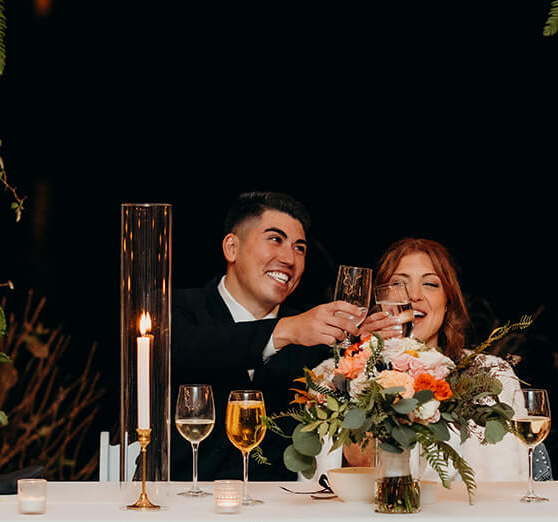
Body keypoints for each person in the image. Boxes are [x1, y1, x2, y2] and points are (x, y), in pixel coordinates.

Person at [171, 191, 363, 481]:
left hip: (280, 503)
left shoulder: (316, 336)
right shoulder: (176, 308)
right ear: (232, 248)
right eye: (275, 239)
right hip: (177, 496)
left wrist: (371, 346)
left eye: (299, 248)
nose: (289, 258)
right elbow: (189, 351)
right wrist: (284, 331)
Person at [342, 238, 538, 483]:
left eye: (430, 284)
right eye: (398, 283)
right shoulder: (343, 374)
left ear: (447, 302)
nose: (414, 295)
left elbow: (510, 478)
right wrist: (369, 362)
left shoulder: (491, 374)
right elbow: (353, 464)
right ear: (381, 299)